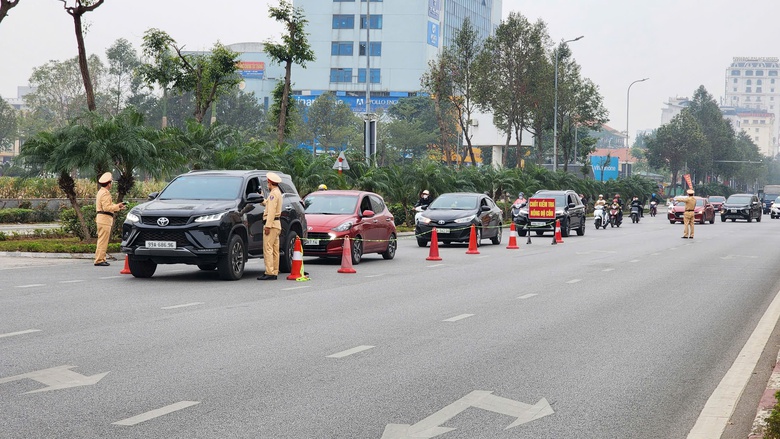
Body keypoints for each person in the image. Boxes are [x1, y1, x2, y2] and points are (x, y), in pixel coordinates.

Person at [93, 172, 126, 267]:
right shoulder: (105, 193)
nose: (111, 184)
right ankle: (99, 259)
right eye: (111, 182)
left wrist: (118, 206)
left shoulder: (101, 192)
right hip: (104, 219)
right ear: (108, 184)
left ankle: (100, 258)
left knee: (101, 240)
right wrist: (117, 207)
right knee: (103, 240)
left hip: (102, 219)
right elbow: (107, 207)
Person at [258, 172, 283, 280]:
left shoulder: (273, 194)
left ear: (270, 183)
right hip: (276, 224)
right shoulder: (277, 192)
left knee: (268, 248)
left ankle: (269, 272)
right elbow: (268, 204)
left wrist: (267, 226)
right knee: (275, 249)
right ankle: (274, 271)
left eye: (268, 183)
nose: (267, 185)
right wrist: (261, 199)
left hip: (271, 225)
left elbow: (271, 211)